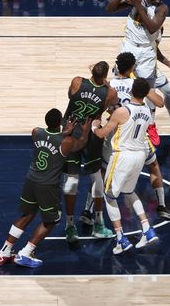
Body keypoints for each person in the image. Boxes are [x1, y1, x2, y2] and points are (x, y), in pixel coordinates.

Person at [0, 110, 92, 268]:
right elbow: (80, 144)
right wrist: (85, 131)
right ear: (60, 122)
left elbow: (52, 138)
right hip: (47, 185)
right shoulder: (66, 141)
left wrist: (65, 130)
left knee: (27, 214)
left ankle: (4, 252)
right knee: (52, 219)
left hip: (31, 180)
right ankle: (26, 252)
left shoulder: (36, 132)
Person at [105, 0, 170, 136]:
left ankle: (152, 127)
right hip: (129, 49)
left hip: (147, 55)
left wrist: (137, 5)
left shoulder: (162, 9)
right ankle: (116, 122)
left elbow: (152, 28)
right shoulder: (137, 1)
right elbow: (109, 8)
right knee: (121, 89)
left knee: (152, 92)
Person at [92, 79, 160, 255]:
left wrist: (94, 127)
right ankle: (147, 229)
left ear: (131, 90)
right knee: (129, 192)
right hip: (140, 156)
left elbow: (102, 134)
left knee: (109, 196)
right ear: (145, 94)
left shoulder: (123, 111)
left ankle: (120, 238)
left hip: (123, 156)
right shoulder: (147, 111)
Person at [61, 61, 117, 243]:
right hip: (91, 135)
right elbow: (111, 105)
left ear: (92, 70)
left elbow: (70, 95)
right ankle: (99, 224)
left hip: (71, 132)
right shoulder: (110, 92)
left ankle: (70, 226)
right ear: (106, 76)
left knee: (71, 180)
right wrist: (105, 83)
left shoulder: (77, 81)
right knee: (96, 177)